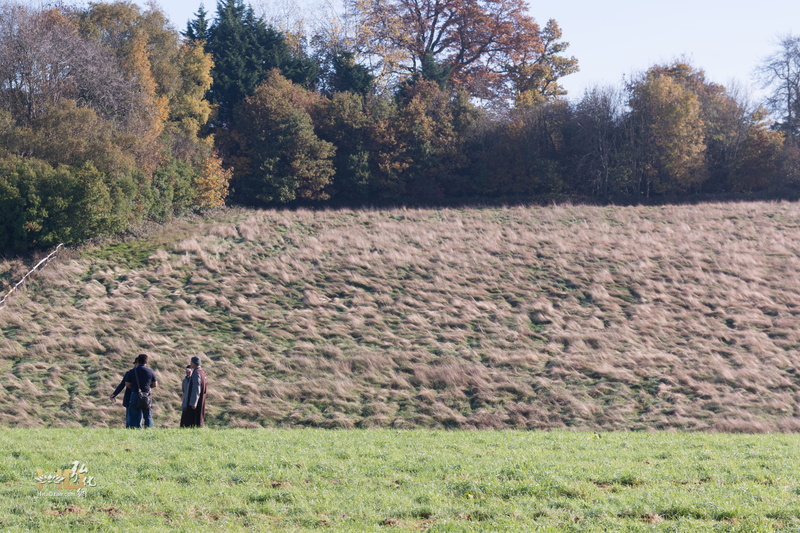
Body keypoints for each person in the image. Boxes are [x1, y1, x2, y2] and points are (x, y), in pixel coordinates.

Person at [125, 353, 158, 428]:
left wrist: (134, 388)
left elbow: (127, 384)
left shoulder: (132, 372)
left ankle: (135, 430)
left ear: (138, 361)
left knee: (134, 415)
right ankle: (148, 429)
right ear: (146, 362)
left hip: (135, 394)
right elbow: (155, 384)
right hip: (147, 395)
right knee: (147, 415)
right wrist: (147, 388)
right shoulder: (150, 372)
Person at [110, 358, 139, 428]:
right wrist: (114, 394)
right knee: (130, 418)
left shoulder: (133, 373)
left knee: (136, 418)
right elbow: (122, 384)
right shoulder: (129, 373)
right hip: (131, 397)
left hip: (139, 398)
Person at [180, 356, 207, 427]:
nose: (190, 363)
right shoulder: (202, 372)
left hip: (194, 402)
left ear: (194, 363)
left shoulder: (196, 373)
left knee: (189, 421)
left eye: (191, 362)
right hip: (200, 400)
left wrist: (193, 403)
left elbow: (196, 388)